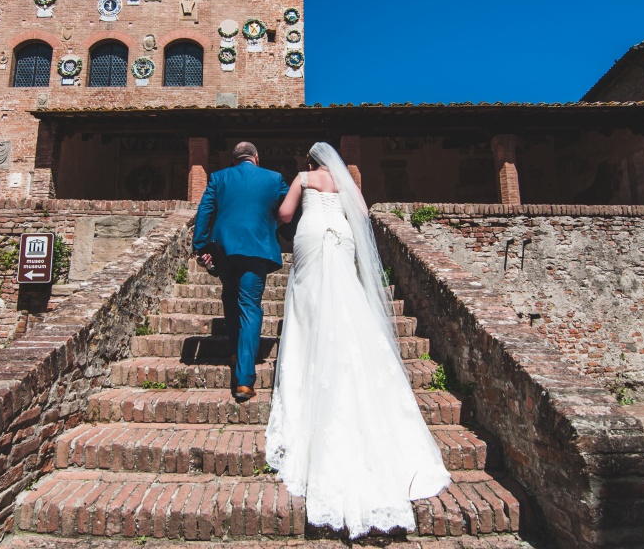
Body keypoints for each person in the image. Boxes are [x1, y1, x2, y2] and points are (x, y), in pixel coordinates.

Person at [264, 142, 450, 538]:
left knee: (309, 303)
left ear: (310, 162)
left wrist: (278, 211)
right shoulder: (345, 181)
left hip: (312, 236)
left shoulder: (302, 177)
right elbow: (363, 215)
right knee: (346, 296)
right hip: (343, 236)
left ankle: (311, 360)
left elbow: (284, 213)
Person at [192, 142, 289, 401]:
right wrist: (277, 228)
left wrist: (200, 247)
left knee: (230, 296)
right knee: (249, 306)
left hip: (225, 250)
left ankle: (235, 351)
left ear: (234, 160)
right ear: (256, 157)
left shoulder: (218, 178)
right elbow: (291, 208)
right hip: (257, 248)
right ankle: (244, 380)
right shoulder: (274, 178)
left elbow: (204, 212)